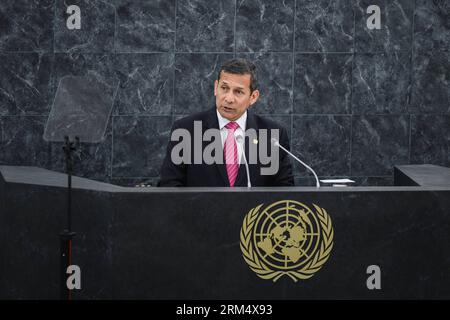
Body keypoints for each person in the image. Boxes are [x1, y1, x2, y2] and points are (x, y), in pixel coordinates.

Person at [158, 58, 294, 187]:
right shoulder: (186, 130)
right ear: (216, 87)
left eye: (238, 92)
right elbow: (169, 186)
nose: (228, 98)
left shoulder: (272, 135)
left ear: (253, 97)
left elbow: (284, 192)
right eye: (224, 88)